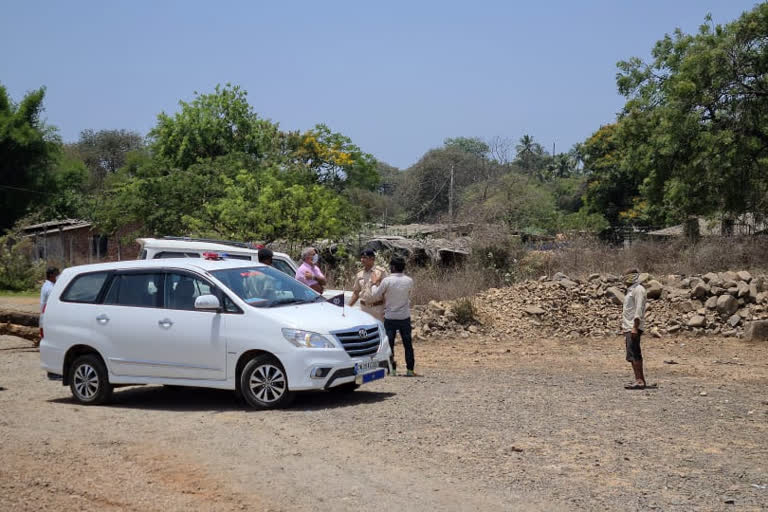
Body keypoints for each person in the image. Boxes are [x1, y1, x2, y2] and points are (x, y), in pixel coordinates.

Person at [370, 257, 415, 376]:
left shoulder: (387, 281)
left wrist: (374, 283)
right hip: (404, 316)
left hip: (390, 317)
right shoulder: (409, 280)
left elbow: (375, 294)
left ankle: (392, 369)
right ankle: (410, 370)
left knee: (389, 345)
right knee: (408, 344)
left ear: (393, 267)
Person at [622, 267, 649, 389]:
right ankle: (640, 379)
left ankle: (639, 380)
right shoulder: (630, 290)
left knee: (635, 354)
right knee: (632, 354)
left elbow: (639, 309)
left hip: (633, 326)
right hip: (629, 326)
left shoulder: (638, 290)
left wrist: (635, 327)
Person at [348, 248, 388, 321]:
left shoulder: (380, 272)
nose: (362, 260)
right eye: (361, 257)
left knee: (379, 330)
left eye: (365, 258)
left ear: (372, 259)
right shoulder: (359, 274)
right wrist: (348, 307)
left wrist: (387, 309)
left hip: (378, 309)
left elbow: (386, 292)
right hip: (364, 309)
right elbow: (356, 293)